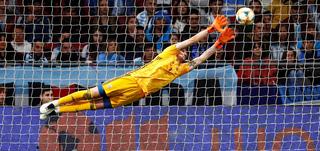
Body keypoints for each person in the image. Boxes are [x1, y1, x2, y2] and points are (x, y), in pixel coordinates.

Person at [39, 16, 234, 119]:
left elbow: (202, 57)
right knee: (91, 94)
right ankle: (54, 103)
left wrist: (218, 44)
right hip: (131, 80)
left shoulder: (181, 69)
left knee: (96, 106)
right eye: (185, 52)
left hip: (137, 94)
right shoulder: (168, 52)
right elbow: (191, 40)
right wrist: (210, 29)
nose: (186, 54)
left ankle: (57, 111)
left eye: (187, 54)